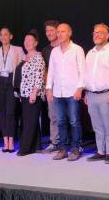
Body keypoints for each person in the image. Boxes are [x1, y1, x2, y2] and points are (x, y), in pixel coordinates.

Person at [85, 23, 109, 164]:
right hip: (92, 94)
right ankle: (100, 151)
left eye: (100, 33)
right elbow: (87, 74)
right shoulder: (90, 53)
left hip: (108, 93)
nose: (97, 35)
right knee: (97, 126)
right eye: (95, 33)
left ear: (107, 35)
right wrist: (86, 92)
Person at [46, 23, 85, 161]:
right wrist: (49, 89)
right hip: (57, 92)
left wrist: (80, 88)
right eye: (58, 32)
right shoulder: (54, 52)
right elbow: (50, 72)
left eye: (63, 31)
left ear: (69, 33)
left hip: (72, 92)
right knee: (61, 122)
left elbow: (82, 71)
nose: (60, 34)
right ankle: (63, 149)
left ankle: (76, 148)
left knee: (74, 121)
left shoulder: (77, 49)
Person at [0, 27, 25, 152]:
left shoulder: (18, 49)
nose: (3, 37)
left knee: (11, 113)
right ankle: (5, 141)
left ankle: (11, 141)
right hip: (0, 82)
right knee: (3, 113)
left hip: (12, 80)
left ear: (11, 36)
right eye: (1, 35)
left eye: (6, 34)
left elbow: (22, 67)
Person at [16, 30, 45, 156]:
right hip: (24, 94)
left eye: (30, 41)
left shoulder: (38, 57)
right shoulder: (25, 57)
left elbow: (39, 77)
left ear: (36, 43)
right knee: (29, 119)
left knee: (29, 121)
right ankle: (36, 145)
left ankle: (25, 148)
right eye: (25, 40)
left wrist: (34, 92)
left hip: (33, 94)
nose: (27, 43)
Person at [41, 20, 60, 153]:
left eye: (51, 30)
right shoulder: (45, 50)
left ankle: (72, 143)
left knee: (70, 117)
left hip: (67, 88)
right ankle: (55, 142)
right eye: (47, 31)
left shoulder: (66, 47)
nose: (49, 33)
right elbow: (44, 70)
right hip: (52, 88)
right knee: (53, 116)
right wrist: (48, 88)